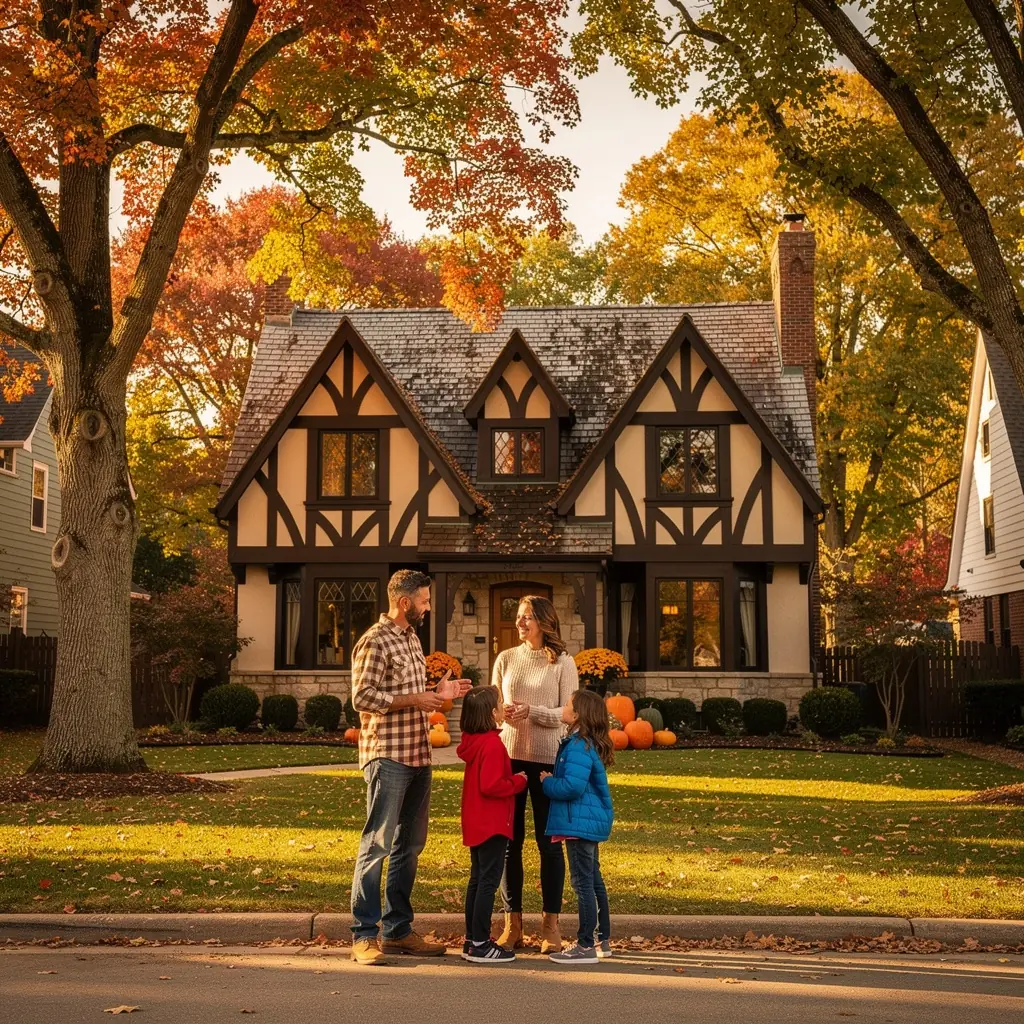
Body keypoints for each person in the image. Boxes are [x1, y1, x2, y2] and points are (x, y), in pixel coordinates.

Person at [348, 569, 471, 965]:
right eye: (424, 600)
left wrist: (438, 693)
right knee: (377, 844)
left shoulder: (412, 639)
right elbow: (362, 697)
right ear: (405, 602)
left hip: (418, 754)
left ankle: (397, 931)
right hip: (388, 756)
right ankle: (364, 935)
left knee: (409, 847)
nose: (428, 606)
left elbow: (411, 695)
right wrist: (417, 699)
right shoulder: (375, 639)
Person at [492, 594, 579, 954]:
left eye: (527, 616)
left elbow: (569, 714)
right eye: (518, 616)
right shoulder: (505, 658)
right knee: (509, 843)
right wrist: (503, 714)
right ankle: (512, 925)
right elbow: (494, 710)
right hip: (509, 759)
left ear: (544, 621)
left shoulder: (564, 662)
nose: (520, 622)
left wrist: (533, 712)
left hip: (547, 762)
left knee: (549, 845)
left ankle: (550, 926)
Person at [541, 688, 614, 965]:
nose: (563, 707)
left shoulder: (577, 746)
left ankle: (585, 945)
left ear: (578, 715)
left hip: (579, 824)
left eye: (568, 704)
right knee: (593, 880)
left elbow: (572, 786)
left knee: (582, 882)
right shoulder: (584, 744)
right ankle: (601, 939)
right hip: (586, 822)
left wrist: (548, 782)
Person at [456, 686, 529, 964]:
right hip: (493, 823)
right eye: (499, 702)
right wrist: (518, 781)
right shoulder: (492, 745)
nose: (503, 705)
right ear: (491, 712)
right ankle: (480, 943)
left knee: (477, 880)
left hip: (477, 822)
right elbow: (491, 785)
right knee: (487, 882)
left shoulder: (474, 742)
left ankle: (471, 939)